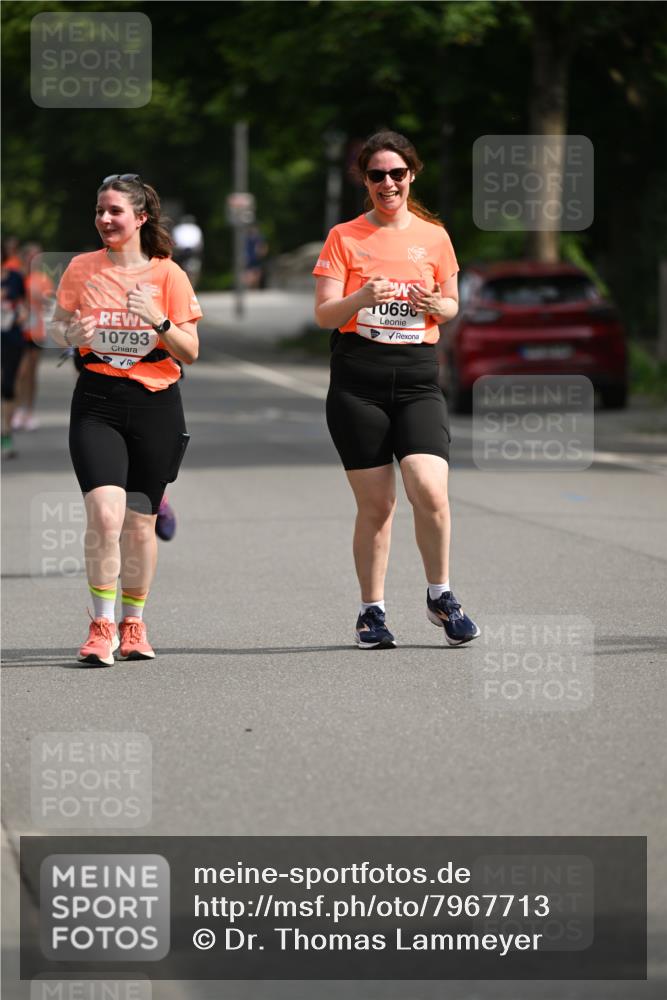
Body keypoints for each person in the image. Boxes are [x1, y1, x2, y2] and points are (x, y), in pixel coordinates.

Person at [313, 130, 479, 650]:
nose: (388, 183)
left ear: (412, 175)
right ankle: (372, 612)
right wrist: (362, 296)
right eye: (377, 175)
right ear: (365, 180)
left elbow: (451, 305)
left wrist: (435, 303)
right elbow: (323, 314)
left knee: (430, 488)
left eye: (397, 173)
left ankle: (441, 595)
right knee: (378, 506)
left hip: (416, 379)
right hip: (358, 381)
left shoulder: (434, 237)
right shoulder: (345, 236)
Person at [49, 173, 202, 665]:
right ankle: (100, 626)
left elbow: (191, 352)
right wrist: (71, 332)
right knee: (104, 514)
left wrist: (158, 319)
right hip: (97, 401)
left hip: (155, 403)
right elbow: (56, 329)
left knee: (139, 525)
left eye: (114, 211)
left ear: (140, 218)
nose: (104, 219)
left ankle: (133, 624)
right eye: (99, 211)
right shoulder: (81, 268)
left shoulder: (169, 275)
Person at [13, 243, 54, 431]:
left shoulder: (43, 279)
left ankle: (29, 411)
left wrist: (43, 297)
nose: (34, 259)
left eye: (37, 256)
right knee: (19, 372)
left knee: (31, 373)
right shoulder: (18, 276)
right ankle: (17, 409)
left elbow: (51, 302)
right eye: (31, 256)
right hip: (18, 330)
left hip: (36, 331)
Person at [1, 239, 26, 459]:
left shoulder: (16, 277)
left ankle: (5, 433)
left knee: (8, 386)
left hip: (11, 337)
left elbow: (26, 307)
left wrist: (20, 315)